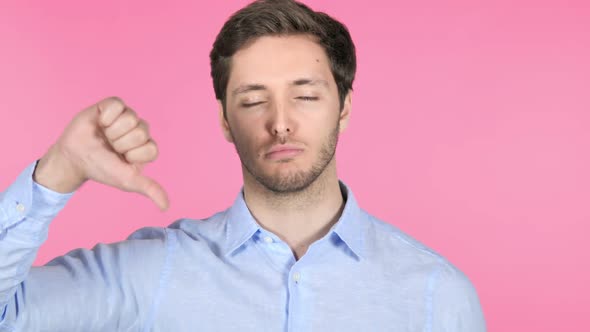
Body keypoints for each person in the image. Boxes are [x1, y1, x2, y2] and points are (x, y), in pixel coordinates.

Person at [0, 0, 486, 331]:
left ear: (344, 106)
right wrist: (58, 172)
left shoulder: (436, 295)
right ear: (225, 119)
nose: (280, 123)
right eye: (253, 100)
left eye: (305, 96)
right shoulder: (155, 270)